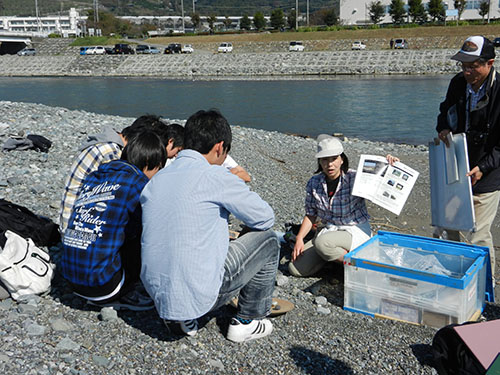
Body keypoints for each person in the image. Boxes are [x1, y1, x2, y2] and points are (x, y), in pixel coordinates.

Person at [140, 109, 279, 342]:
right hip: (200, 292)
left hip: (156, 293)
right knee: (269, 239)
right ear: (219, 147)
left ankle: (179, 317)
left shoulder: (159, 177)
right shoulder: (215, 176)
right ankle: (248, 320)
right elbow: (265, 217)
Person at [60, 130, 167, 310]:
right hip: (103, 287)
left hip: (70, 279)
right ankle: (128, 293)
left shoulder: (95, 176)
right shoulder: (138, 183)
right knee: (145, 231)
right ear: (149, 163)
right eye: (159, 169)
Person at [289, 135, 398, 277]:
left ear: (341, 159)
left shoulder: (355, 178)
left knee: (323, 243)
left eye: (333, 159)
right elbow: (311, 214)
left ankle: (361, 268)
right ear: (320, 162)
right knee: (295, 268)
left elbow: (381, 187)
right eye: (325, 160)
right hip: (330, 230)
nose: (330, 165)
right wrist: (299, 239)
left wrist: (391, 165)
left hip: (354, 229)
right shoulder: (314, 183)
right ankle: (335, 259)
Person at [436, 35, 500, 277]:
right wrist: (442, 127)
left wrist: (483, 167)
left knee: (479, 234)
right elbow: (445, 110)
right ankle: (452, 277)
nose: (467, 71)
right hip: (456, 165)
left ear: (490, 63)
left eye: (473, 66)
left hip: (488, 172)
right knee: (447, 225)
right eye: (463, 65)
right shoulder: (457, 83)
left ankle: (484, 291)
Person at [59, 115, 183, 234]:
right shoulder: (111, 153)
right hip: (76, 228)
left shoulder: (110, 144)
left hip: (75, 222)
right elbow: (115, 197)